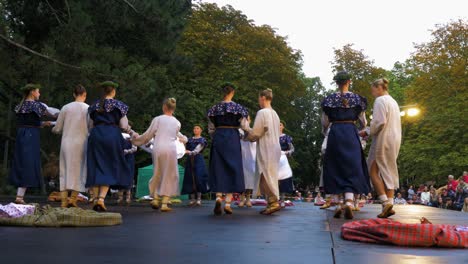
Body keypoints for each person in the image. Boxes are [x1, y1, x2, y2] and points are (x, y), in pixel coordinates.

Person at [321, 71, 370, 219]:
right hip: (350, 132)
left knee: (335, 166)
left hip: (335, 132)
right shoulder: (358, 99)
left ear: (336, 82)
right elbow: (364, 122)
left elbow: (324, 122)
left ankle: (337, 203)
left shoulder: (329, 100)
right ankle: (349, 202)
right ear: (349, 81)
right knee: (352, 166)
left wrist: (326, 132)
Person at [86, 81, 135, 212]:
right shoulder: (119, 105)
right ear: (113, 91)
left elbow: (89, 126)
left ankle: (95, 199)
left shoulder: (94, 105)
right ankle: (101, 199)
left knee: (96, 165)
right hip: (112, 135)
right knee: (109, 165)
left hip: (96, 135)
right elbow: (124, 126)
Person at [132, 98, 187, 212]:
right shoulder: (177, 122)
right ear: (173, 109)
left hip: (158, 147)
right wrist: (185, 139)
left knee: (158, 172)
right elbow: (178, 135)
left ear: (164, 107)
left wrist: (136, 140)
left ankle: (156, 198)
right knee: (171, 174)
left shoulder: (157, 119)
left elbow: (148, 135)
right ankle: (165, 203)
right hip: (171, 149)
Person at [360, 78, 401, 218]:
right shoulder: (393, 101)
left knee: (373, 170)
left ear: (379, 88)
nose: (372, 94)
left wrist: (367, 131)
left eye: (373, 90)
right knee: (389, 171)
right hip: (395, 138)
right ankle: (389, 203)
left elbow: (379, 121)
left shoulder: (380, 101)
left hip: (384, 138)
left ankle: (384, 201)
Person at [207, 83, 249, 215]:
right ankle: (228, 203)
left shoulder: (213, 109)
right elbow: (245, 126)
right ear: (233, 93)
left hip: (219, 137)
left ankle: (218, 197)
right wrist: (249, 135)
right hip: (232, 138)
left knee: (218, 167)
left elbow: (211, 129)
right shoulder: (239, 108)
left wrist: (216, 136)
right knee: (233, 168)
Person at [9, 84, 54, 204]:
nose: (39, 94)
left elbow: (29, 122)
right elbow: (53, 113)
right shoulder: (36, 105)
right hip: (30, 135)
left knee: (22, 161)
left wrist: (43, 124)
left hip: (22, 133)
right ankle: (19, 196)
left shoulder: (20, 105)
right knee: (27, 162)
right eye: (38, 92)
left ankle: (19, 195)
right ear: (33, 92)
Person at [242, 89, 282, 215]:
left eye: (259, 98)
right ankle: (271, 202)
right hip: (275, 147)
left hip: (266, 146)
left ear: (263, 98)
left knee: (265, 174)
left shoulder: (262, 112)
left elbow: (256, 133)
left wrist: (245, 129)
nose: (258, 101)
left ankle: (274, 201)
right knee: (269, 174)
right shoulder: (275, 113)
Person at [52, 85, 89, 208]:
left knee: (64, 170)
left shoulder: (65, 108)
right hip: (81, 143)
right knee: (79, 171)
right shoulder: (88, 109)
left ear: (74, 94)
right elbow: (91, 127)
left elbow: (57, 128)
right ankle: (73, 199)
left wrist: (53, 128)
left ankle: (63, 201)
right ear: (85, 95)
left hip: (66, 142)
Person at [181, 125, 209, 206]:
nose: (195, 129)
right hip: (190, 160)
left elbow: (197, 150)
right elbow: (183, 148)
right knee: (190, 177)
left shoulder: (202, 140)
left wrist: (189, 152)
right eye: (194, 128)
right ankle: (192, 199)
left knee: (198, 177)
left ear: (201, 130)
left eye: (197, 128)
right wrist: (181, 143)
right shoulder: (189, 139)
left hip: (198, 159)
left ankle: (199, 199)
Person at [238, 116, 257, 208]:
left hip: (251, 157)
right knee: (242, 177)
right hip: (241, 156)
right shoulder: (238, 131)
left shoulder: (253, 131)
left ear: (249, 120)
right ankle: (242, 198)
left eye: (247, 119)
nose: (245, 120)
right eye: (243, 119)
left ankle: (248, 198)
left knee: (250, 178)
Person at [116, 133, 137, 205]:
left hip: (129, 159)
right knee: (120, 176)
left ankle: (128, 197)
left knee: (129, 176)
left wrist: (127, 151)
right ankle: (120, 197)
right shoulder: (119, 136)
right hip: (121, 159)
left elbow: (135, 148)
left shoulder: (132, 137)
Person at [278, 121, 295, 206]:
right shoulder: (271, 137)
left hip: (283, 159)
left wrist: (285, 153)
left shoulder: (286, 137)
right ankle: (273, 199)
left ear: (283, 127)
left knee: (283, 179)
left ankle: (282, 199)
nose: (278, 126)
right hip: (273, 159)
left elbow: (292, 149)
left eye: (280, 124)